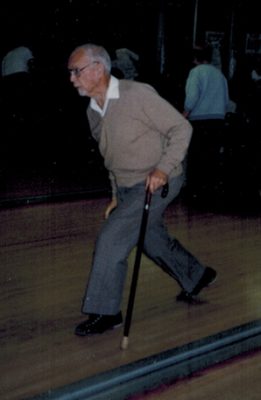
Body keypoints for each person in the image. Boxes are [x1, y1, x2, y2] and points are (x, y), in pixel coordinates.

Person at [67, 44, 217, 336]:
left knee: (112, 238)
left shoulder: (136, 94)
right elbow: (110, 157)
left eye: (77, 71)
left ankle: (106, 312)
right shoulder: (93, 111)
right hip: (126, 185)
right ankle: (196, 275)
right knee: (148, 236)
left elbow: (181, 128)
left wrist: (163, 168)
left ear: (99, 68)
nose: (72, 78)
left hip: (158, 179)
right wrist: (114, 194)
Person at [183, 46, 229, 200]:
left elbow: (192, 96)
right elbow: (226, 100)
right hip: (218, 120)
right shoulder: (219, 74)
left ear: (194, 58)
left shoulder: (196, 72)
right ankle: (209, 194)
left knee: (197, 158)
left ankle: (194, 194)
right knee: (211, 159)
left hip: (200, 121)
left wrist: (185, 113)